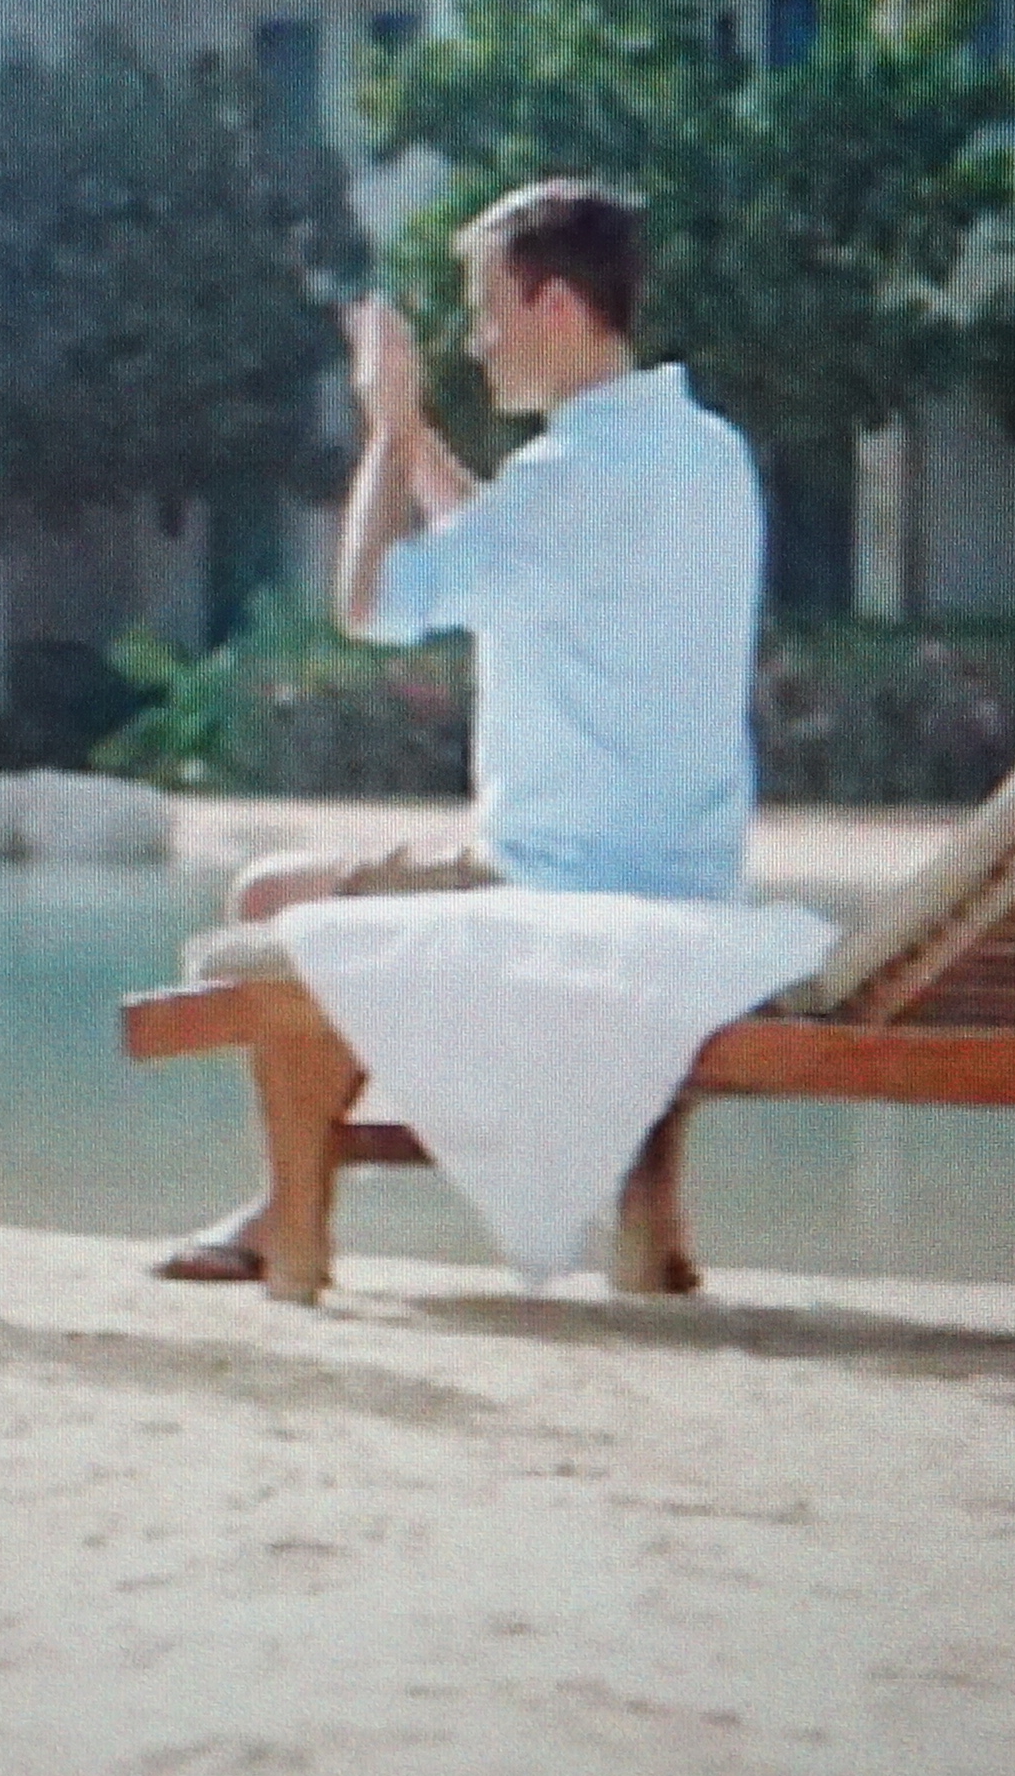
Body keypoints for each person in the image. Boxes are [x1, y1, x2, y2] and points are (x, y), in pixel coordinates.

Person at [150, 175, 764, 1286]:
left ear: (556, 308)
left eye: (489, 309)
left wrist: (385, 432)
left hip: (560, 875)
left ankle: (287, 1211)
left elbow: (368, 604)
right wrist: (423, 432)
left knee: (266, 901)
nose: (479, 342)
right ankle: (647, 1218)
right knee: (336, 906)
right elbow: (508, 552)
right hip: (692, 873)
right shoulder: (706, 455)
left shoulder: (565, 477)